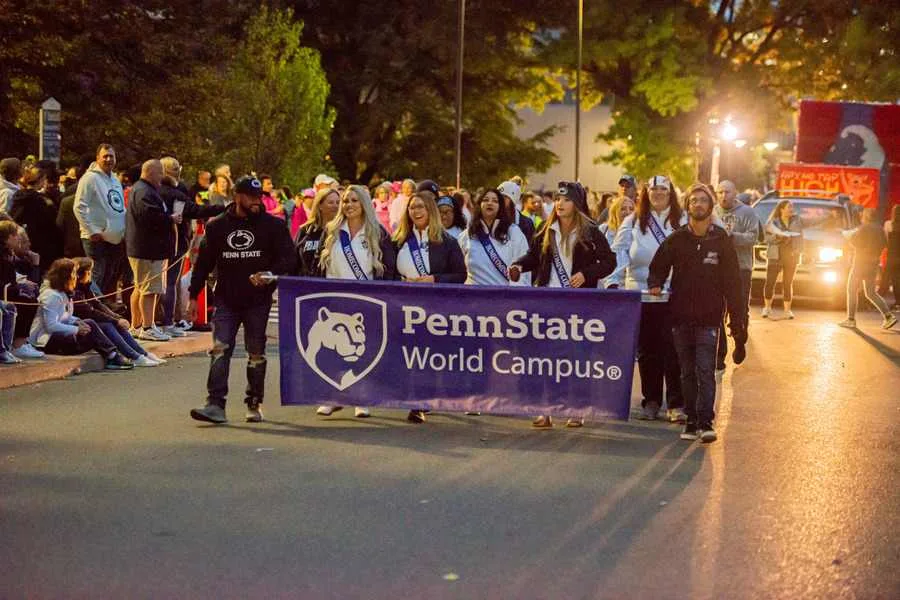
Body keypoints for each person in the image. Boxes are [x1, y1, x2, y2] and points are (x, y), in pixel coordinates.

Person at [188, 176, 296, 424]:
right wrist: (194, 296)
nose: (257, 201)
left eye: (260, 197)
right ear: (238, 197)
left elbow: (289, 259)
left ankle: (254, 402)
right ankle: (214, 404)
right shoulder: (217, 227)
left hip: (258, 300)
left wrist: (271, 275)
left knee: (256, 352)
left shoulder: (274, 226)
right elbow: (203, 264)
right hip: (226, 297)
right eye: (251, 197)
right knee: (219, 349)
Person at [509, 181, 616, 428]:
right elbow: (534, 257)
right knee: (545, 357)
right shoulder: (547, 229)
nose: (560, 204)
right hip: (549, 300)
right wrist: (519, 266)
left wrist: (587, 274)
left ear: (576, 204)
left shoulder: (590, 231)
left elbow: (609, 261)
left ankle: (576, 407)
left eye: (566, 200)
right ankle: (544, 408)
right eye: (557, 199)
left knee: (576, 357)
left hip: (578, 303)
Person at [647, 183, 747, 443]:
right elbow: (658, 264)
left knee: (706, 370)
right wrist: (655, 282)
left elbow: (733, 283)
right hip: (680, 318)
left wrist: (738, 324)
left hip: (710, 319)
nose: (699, 205)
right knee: (687, 373)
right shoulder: (678, 238)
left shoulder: (721, 240)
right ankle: (690, 421)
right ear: (688, 207)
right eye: (694, 201)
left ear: (711, 207)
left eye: (703, 200)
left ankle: (706, 422)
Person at [314, 185, 397, 419]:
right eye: (345, 201)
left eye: (354, 201)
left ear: (364, 205)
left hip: (365, 300)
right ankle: (334, 396)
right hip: (336, 299)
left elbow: (387, 268)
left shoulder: (377, 233)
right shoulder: (331, 231)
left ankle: (361, 398)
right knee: (335, 350)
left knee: (362, 350)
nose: (348, 205)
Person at [609, 175, 685, 422]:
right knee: (648, 351)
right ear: (646, 193)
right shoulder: (633, 221)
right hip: (641, 296)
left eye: (663, 189)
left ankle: (676, 404)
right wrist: (614, 281)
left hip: (674, 295)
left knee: (674, 351)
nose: (659, 193)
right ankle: (651, 401)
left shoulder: (682, 221)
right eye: (654, 189)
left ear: (670, 192)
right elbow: (620, 252)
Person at [394, 182, 467, 423]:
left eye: (420, 207)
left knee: (428, 354)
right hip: (405, 305)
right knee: (409, 354)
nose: (415, 211)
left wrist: (435, 279)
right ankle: (414, 398)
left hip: (435, 307)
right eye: (412, 207)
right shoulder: (399, 239)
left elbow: (460, 275)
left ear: (431, 210)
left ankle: (423, 401)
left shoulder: (447, 242)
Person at [28, 258, 134, 369]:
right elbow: (51, 326)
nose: (76, 277)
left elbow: (64, 316)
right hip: (45, 341)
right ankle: (113, 356)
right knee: (94, 330)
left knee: (89, 323)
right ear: (66, 276)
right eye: (74, 273)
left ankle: (113, 355)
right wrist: (76, 329)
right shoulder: (52, 296)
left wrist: (77, 321)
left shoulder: (63, 293)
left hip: (56, 335)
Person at [72, 257, 163, 366]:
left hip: (89, 323)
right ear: (82, 274)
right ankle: (134, 356)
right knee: (108, 325)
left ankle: (142, 353)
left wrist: (117, 318)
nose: (91, 274)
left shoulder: (85, 287)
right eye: (89, 272)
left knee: (115, 324)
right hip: (80, 329)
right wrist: (115, 321)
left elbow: (98, 305)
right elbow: (90, 312)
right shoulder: (75, 292)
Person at [126, 160, 178, 342]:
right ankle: (147, 326)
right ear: (150, 172)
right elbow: (149, 217)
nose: (162, 177)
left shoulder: (141, 189)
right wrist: (170, 218)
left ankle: (136, 325)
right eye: (159, 173)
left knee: (140, 287)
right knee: (149, 289)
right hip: (148, 250)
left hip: (143, 248)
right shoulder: (144, 192)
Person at [714, 179, 760, 370]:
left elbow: (753, 238)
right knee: (717, 310)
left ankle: (740, 340)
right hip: (717, 269)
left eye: (728, 192)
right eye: (720, 192)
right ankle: (719, 354)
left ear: (735, 193)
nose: (724, 196)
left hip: (741, 268)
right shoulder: (713, 211)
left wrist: (733, 237)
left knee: (738, 310)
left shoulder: (747, 212)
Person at [73, 144, 126, 297]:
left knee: (110, 276)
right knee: (96, 274)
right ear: (97, 158)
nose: (109, 159)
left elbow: (119, 206)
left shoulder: (115, 179)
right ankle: (93, 305)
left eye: (111, 156)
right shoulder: (89, 178)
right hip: (96, 238)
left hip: (114, 238)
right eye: (105, 156)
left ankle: (104, 308)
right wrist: (91, 230)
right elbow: (79, 207)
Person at [838, 208, 897, 330]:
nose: (861, 216)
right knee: (871, 293)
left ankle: (850, 319)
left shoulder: (864, 228)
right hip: (874, 263)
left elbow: (854, 242)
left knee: (851, 289)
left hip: (860, 262)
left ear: (868, 216)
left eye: (864, 214)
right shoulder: (880, 229)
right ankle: (888, 316)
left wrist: (849, 237)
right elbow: (885, 244)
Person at [457, 188, 529, 286]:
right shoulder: (467, 235)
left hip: (505, 297)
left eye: (495, 201)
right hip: (473, 297)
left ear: (501, 207)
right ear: (479, 205)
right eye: (485, 200)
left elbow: (524, 269)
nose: (489, 203)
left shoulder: (514, 232)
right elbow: (457, 272)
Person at [0, 221, 44, 362]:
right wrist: (19, 286)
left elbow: (16, 276)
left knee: (30, 297)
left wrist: (34, 266)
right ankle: (14, 345)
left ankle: (18, 343)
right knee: (23, 301)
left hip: (6, 288)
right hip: (2, 290)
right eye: (14, 235)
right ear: (7, 237)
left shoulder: (10, 254)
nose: (17, 238)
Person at [9, 166, 63, 273]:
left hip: (23, 241)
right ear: (41, 180)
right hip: (41, 243)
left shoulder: (18, 196)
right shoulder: (41, 200)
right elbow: (50, 222)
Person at [761, 200, 804, 319]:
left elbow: (813, 221)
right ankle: (767, 308)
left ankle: (787, 310)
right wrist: (777, 236)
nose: (791, 209)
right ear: (782, 209)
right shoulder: (772, 223)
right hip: (775, 255)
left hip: (791, 255)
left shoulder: (797, 220)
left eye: (792, 207)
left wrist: (829, 217)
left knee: (788, 283)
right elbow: (766, 239)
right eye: (789, 207)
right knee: (770, 282)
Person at [295, 187, 341, 276]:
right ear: (320, 206)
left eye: (338, 202)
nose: (335, 206)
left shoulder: (343, 230)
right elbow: (294, 259)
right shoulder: (306, 230)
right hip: (306, 284)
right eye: (331, 202)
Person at [498, 180, 536, 244]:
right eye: (498, 196)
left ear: (513, 200)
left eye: (504, 197)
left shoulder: (527, 224)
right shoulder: (491, 219)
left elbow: (531, 249)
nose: (499, 200)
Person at [886, 205, 900, 310]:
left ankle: (876, 300)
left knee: (889, 279)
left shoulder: (888, 224)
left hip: (892, 255)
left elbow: (886, 239)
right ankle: (898, 302)